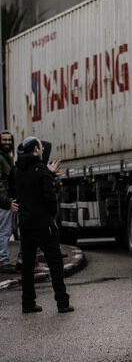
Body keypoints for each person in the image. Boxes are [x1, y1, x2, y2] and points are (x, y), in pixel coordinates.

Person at [14, 136, 73, 313]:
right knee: (55, 263)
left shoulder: (17, 170)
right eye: (40, 147)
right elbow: (49, 197)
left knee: (27, 265)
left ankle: (28, 303)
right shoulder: (41, 170)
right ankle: (62, 302)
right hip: (44, 224)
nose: (42, 150)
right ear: (36, 150)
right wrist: (51, 215)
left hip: (25, 224)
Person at [0, 130, 15, 273]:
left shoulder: (6, 157)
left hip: (5, 199)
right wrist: (5, 200)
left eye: (9, 140)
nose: (7, 143)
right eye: (4, 140)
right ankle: (3, 261)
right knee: (4, 231)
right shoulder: (1, 157)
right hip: (3, 200)